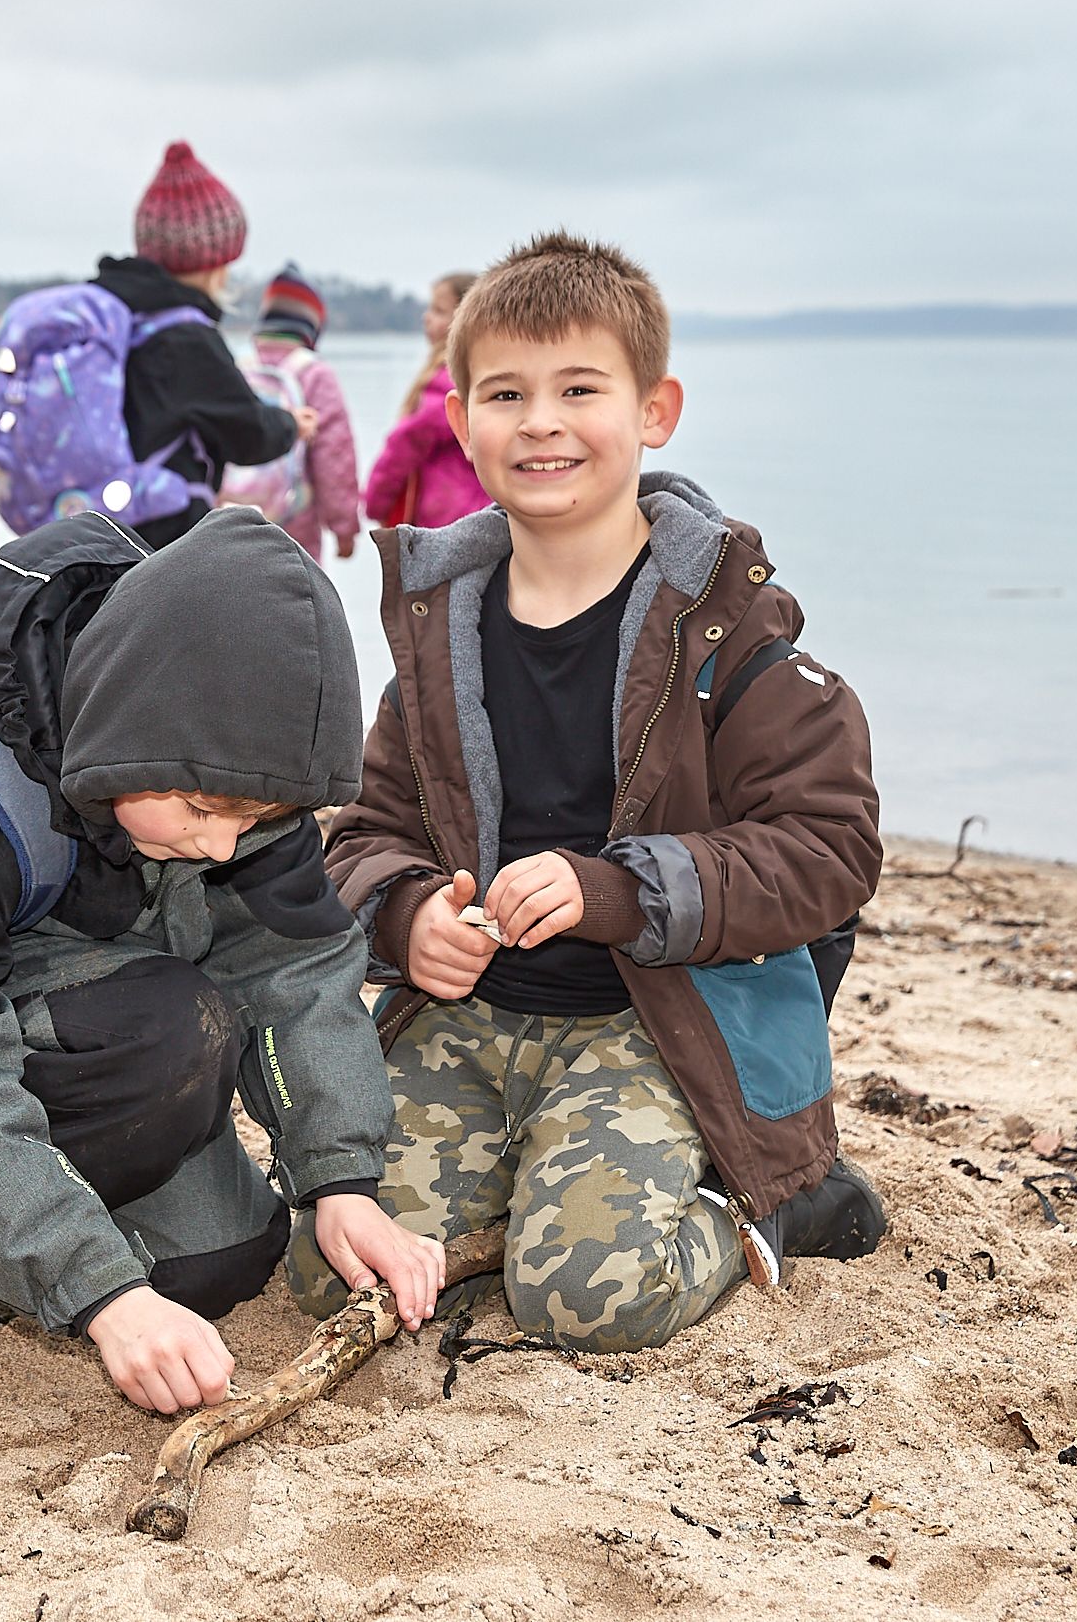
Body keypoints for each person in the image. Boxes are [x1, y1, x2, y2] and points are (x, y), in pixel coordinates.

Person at [314, 233, 887, 1354]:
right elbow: (364, 834)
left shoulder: (727, 627)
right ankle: (525, 1187)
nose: (541, 422)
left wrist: (616, 889)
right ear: (457, 418)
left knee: (585, 1298)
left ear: (654, 410)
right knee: (329, 1270)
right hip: (473, 1013)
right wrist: (406, 913)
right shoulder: (439, 631)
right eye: (506, 394)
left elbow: (830, 846)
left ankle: (773, 1203)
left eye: (580, 389)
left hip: (660, 1019)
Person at [0, 507, 443, 1414]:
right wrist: (102, 1291)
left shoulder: (240, 772)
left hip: (99, 995)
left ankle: (16, 1226)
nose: (224, 843)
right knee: (175, 1032)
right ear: (131, 725)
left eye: (255, 820)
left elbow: (294, 965)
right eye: (202, 811)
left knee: (226, 1260)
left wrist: (340, 1178)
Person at [100, 141, 313, 550]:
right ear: (214, 261)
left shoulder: (116, 315)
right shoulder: (186, 338)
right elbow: (248, 433)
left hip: (98, 523)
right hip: (161, 529)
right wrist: (291, 425)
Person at [238, 263, 360, 560]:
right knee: (297, 584)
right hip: (295, 517)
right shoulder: (314, 374)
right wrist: (343, 526)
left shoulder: (240, 367)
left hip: (233, 512)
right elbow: (333, 455)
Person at [361, 270, 488, 532]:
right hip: (480, 509)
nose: (426, 317)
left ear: (464, 320)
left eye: (438, 311)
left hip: (449, 515)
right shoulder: (481, 373)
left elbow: (406, 441)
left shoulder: (449, 381)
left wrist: (376, 500)